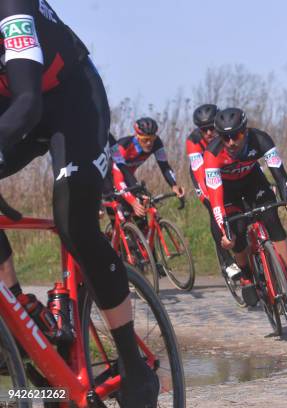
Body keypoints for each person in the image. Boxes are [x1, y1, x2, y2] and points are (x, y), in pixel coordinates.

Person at [0, 1, 158, 405]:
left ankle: (130, 362)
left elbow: (27, 104)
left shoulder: (11, 8)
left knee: (74, 222)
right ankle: (20, 313)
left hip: (71, 101)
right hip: (13, 105)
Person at [203, 107, 287, 306]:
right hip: (227, 191)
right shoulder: (212, 153)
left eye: (237, 135)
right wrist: (225, 230)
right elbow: (215, 197)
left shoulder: (261, 139)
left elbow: (281, 176)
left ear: (246, 131)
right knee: (237, 232)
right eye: (226, 137)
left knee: (272, 220)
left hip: (253, 182)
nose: (231, 142)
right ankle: (247, 277)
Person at [186, 104, 242, 279]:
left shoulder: (228, 136)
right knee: (213, 207)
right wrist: (209, 195)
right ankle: (227, 261)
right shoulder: (193, 141)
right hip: (203, 175)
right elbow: (199, 171)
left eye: (212, 128)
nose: (209, 133)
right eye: (204, 130)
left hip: (224, 170)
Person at [111, 117, 185, 218]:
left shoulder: (157, 143)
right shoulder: (123, 147)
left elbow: (164, 166)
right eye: (145, 139)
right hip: (110, 177)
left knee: (142, 209)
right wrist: (133, 202)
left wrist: (174, 185)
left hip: (128, 177)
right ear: (137, 137)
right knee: (124, 211)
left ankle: (141, 232)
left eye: (152, 139)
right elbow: (118, 179)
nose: (149, 143)